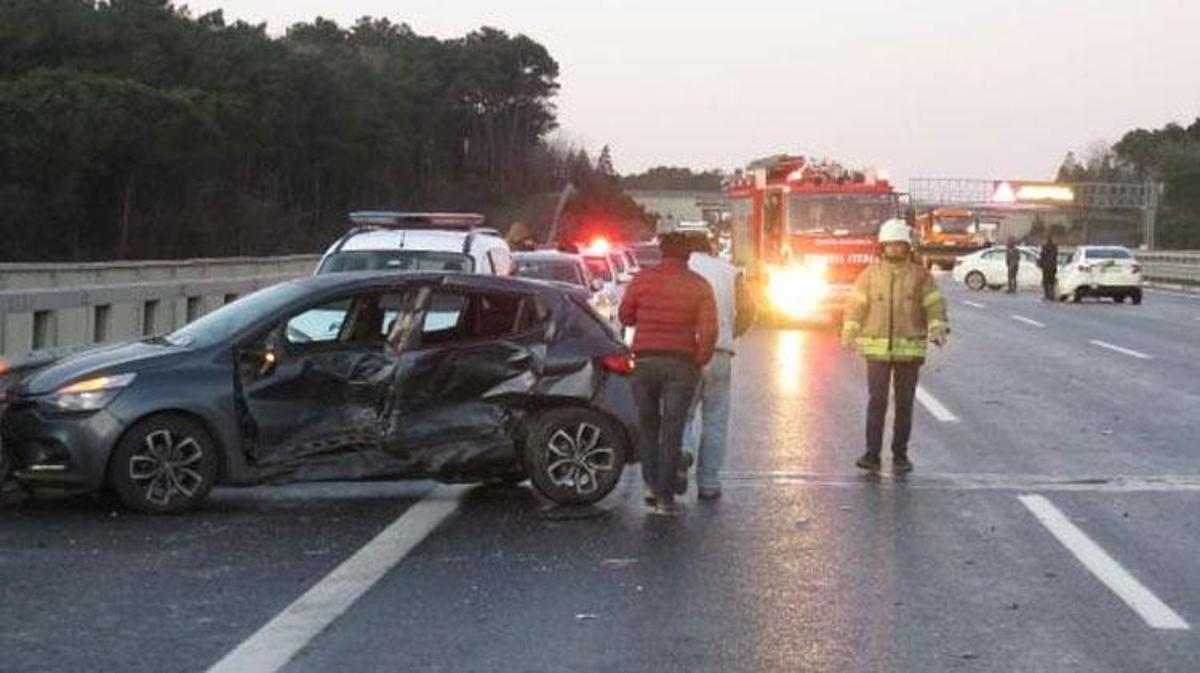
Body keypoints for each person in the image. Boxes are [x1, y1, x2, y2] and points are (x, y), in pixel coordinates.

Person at [620, 233, 718, 516]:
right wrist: (699, 360)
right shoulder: (699, 285)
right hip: (681, 363)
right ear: (688, 256)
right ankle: (665, 498)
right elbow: (709, 331)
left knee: (648, 426)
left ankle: (650, 487)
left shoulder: (642, 280)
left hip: (645, 361)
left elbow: (625, 316)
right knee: (672, 430)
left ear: (661, 253)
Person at [841, 219, 949, 473]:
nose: (895, 249)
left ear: (907, 247)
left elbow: (934, 305)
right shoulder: (869, 275)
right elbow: (856, 306)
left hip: (910, 351)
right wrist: (848, 333)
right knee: (876, 402)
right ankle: (871, 455)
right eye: (890, 245)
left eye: (899, 245)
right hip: (877, 352)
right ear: (882, 247)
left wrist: (938, 329)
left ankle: (900, 455)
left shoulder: (920, 276)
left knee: (904, 404)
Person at [681, 234, 755, 500]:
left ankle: (683, 451)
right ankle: (709, 482)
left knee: (682, 412)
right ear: (711, 249)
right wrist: (731, 333)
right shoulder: (730, 272)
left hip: (685, 352)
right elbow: (748, 311)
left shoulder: (682, 269)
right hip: (720, 352)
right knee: (715, 418)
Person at [1039, 234, 1059, 301]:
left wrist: (1041, 264)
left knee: (1047, 281)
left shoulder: (1045, 247)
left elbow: (1042, 256)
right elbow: (1055, 256)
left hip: (1047, 267)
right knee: (1051, 281)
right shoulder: (1054, 247)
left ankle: (1047, 294)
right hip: (1052, 266)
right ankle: (1051, 294)